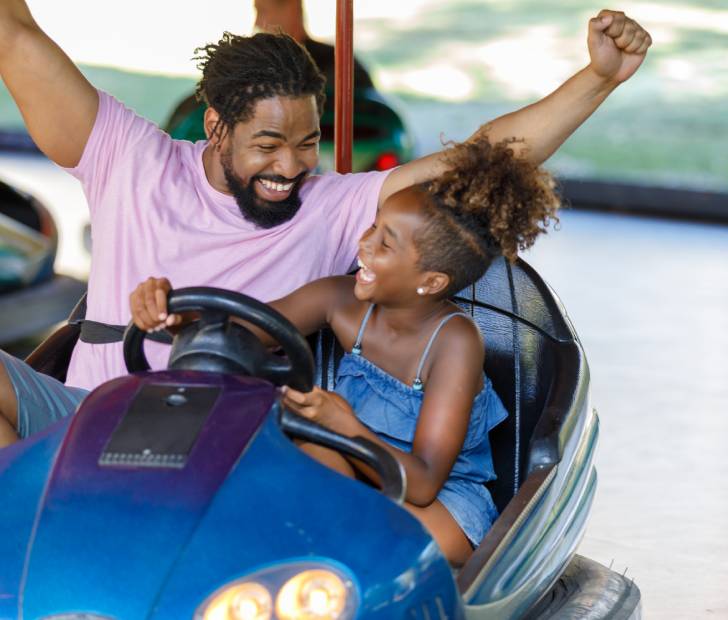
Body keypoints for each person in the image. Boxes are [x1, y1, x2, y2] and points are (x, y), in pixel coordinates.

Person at [0, 1, 651, 443]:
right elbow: (15, 37)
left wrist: (597, 80)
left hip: (228, 446)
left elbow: (486, 155)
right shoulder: (128, 160)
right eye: (268, 145)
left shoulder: (333, 206)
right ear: (216, 127)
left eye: (308, 142)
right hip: (84, 424)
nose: (290, 166)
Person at [128, 137, 560, 565]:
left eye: (386, 244)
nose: (364, 245)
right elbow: (243, 329)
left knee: (330, 525)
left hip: (437, 503)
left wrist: (344, 425)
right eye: (374, 227)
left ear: (430, 281)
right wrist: (178, 314)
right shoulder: (340, 300)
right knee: (272, 474)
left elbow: (425, 481)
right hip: (355, 471)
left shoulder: (454, 342)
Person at [164, 0, 376, 141]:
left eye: (263, 11)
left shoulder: (343, 70)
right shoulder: (245, 64)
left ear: (293, 8)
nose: (257, 21)